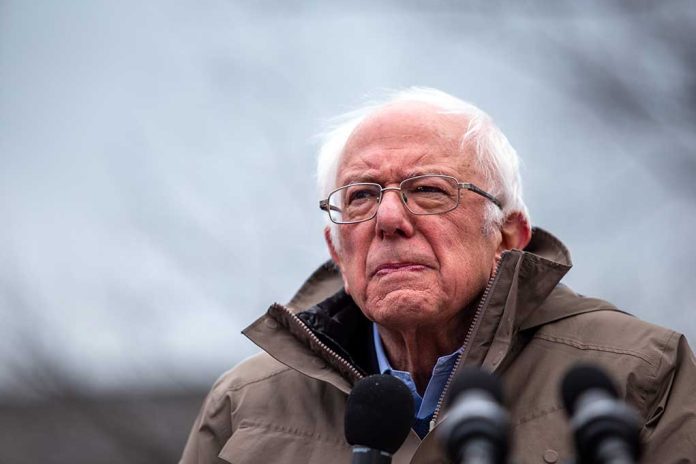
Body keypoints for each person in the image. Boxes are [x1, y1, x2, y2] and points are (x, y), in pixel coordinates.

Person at [180, 88, 696, 464]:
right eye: (360, 196)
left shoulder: (641, 373)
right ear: (336, 248)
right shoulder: (245, 403)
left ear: (508, 235)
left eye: (428, 189)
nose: (387, 220)